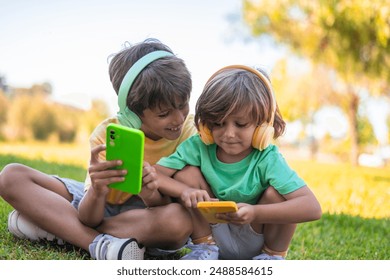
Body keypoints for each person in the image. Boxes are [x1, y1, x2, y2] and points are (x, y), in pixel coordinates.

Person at [0, 38, 197, 260]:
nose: (178, 118)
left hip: (147, 218)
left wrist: (150, 193)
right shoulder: (106, 135)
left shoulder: (191, 132)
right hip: (100, 208)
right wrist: (97, 190)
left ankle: (59, 228)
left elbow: (172, 206)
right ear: (131, 114)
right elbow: (89, 217)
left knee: (179, 220)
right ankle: (98, 244)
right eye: (164, 114)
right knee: (10, 176)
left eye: (183, 105)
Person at [155, 65, 322, 260]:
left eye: (241, 124)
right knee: (186, 174)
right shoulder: (198, 146)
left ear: (262, 126)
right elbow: (156, 174)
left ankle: (272, 257)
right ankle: (205, 249)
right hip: (213, 235)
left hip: (256, 237)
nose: (228, 134)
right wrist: (185, 191)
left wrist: (256, 212)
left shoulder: (267, 157)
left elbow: (312, 207)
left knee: (278, 194)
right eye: (218, 124)